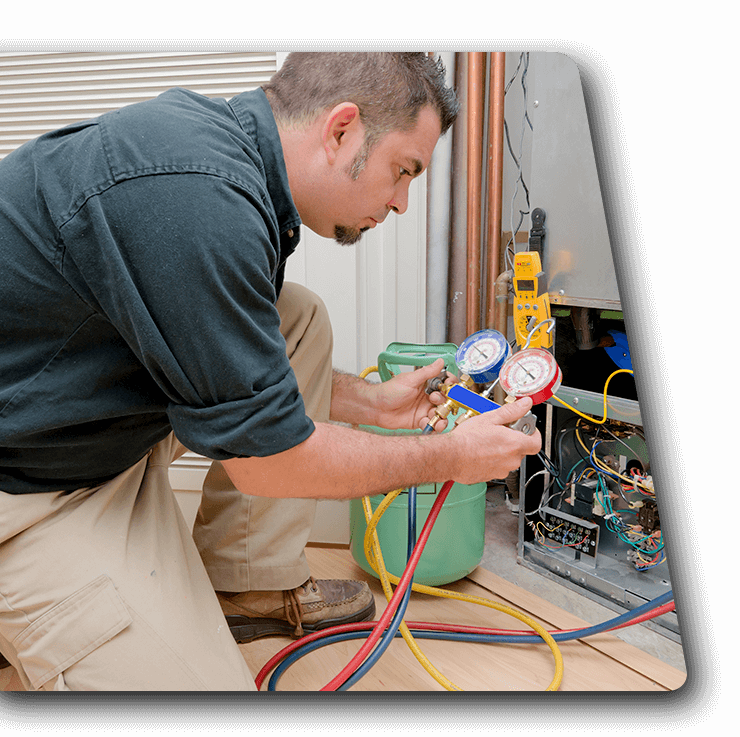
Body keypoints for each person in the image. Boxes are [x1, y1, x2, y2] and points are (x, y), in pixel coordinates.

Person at [0, 52, 541, 691]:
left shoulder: (220, 157)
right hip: (28, 485)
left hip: (74, 419)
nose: (400, 203)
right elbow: (273, 462)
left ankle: (244, 585)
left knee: (298, 318)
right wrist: (453, 456)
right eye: (403, 171)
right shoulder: (197, 202)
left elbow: (226, 358)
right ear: (341, 130)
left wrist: (369, 402)